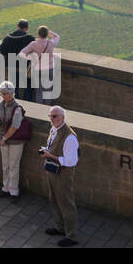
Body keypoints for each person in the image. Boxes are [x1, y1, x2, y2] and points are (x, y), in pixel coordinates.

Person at [40, 105, 79, 246]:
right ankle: (60, 228)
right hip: (53, 171)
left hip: (63, 174)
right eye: (50, 116)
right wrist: (47, 150)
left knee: (67, 203)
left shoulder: (70, 137)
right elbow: (53, 146)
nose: (52, 119)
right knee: (54, 200)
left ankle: (72, 236)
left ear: (63, 117)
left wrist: (50, 155)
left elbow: (71, 161)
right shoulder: (54, 129)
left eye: (55, 116)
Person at [0, 81, 27, 201]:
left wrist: (4, 138)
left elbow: (15, 126)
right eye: (1, 93)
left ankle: (14, 191)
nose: (3, 95)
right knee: (5, 165)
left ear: (12, 93)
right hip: (3, 139)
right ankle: (5, 187)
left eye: (5, 93)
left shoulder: (17, 108)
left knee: (14, 166)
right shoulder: (0, 105)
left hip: (15, 141)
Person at [19, 25, 60, 104]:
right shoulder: (51, 43)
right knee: (47, 92)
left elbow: (21, 54)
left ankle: (39, 110)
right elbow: (57, 36)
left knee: (39, 92)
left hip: (38, 70)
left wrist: (32, 58)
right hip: (49, 69)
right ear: (47, 34)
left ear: (38, 34)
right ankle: (46, 111)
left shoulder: (33, 44)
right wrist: (49, 32)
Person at [0, 19, 35, 100]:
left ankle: (14, 102)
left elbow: (2, 49)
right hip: (25, 67)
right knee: (29, 85)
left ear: (17, 26)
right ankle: (27, 102)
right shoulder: (30, 39)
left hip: (12, 65)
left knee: (14, 87)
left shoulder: (8, 38)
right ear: (27, 28)